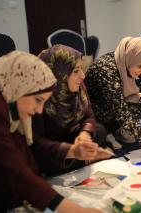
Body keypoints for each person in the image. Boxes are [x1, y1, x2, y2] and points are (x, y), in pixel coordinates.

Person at [0, 51, 102, 213]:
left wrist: (73, 151)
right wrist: (74, 210)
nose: (39, 110)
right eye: (38, 101)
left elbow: (28, 148)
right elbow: (12, 167)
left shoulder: (4, 96)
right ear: (20, 87)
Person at [85, 37, 141, 158]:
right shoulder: (106, 70)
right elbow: (122, 114)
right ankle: (119, 132)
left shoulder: (125, 58)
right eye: (140, 67)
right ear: (132, 57)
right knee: (121, 134)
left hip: (117, 111)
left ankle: (128, 132)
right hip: (101, 116)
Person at [32, 44, 111, 176]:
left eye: (81, 69)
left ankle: (81, 157)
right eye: (76, 71)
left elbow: (89, 115)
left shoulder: (78, 85)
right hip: (51, 146)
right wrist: (72, 150)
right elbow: (37, 144)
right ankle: (83, 160)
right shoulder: (39, 97)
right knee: (45, 164)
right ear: (59, 73)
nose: (82, 76)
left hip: (70, 136)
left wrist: (84, 135)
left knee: (99, 130)